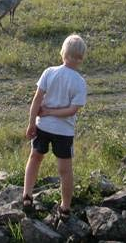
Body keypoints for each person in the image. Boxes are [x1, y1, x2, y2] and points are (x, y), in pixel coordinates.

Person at [23, 34, 87, 221]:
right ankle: (65, 207)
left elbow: (36, 100)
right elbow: (71, 110)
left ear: (62, 53)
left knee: (35, 158)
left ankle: (27, 196)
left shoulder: (49, 72)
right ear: (81, 58)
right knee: (65, 171)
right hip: (64, 132)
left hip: (42, 126)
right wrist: (51, 112)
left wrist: (31, 122)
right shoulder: (79, 82)